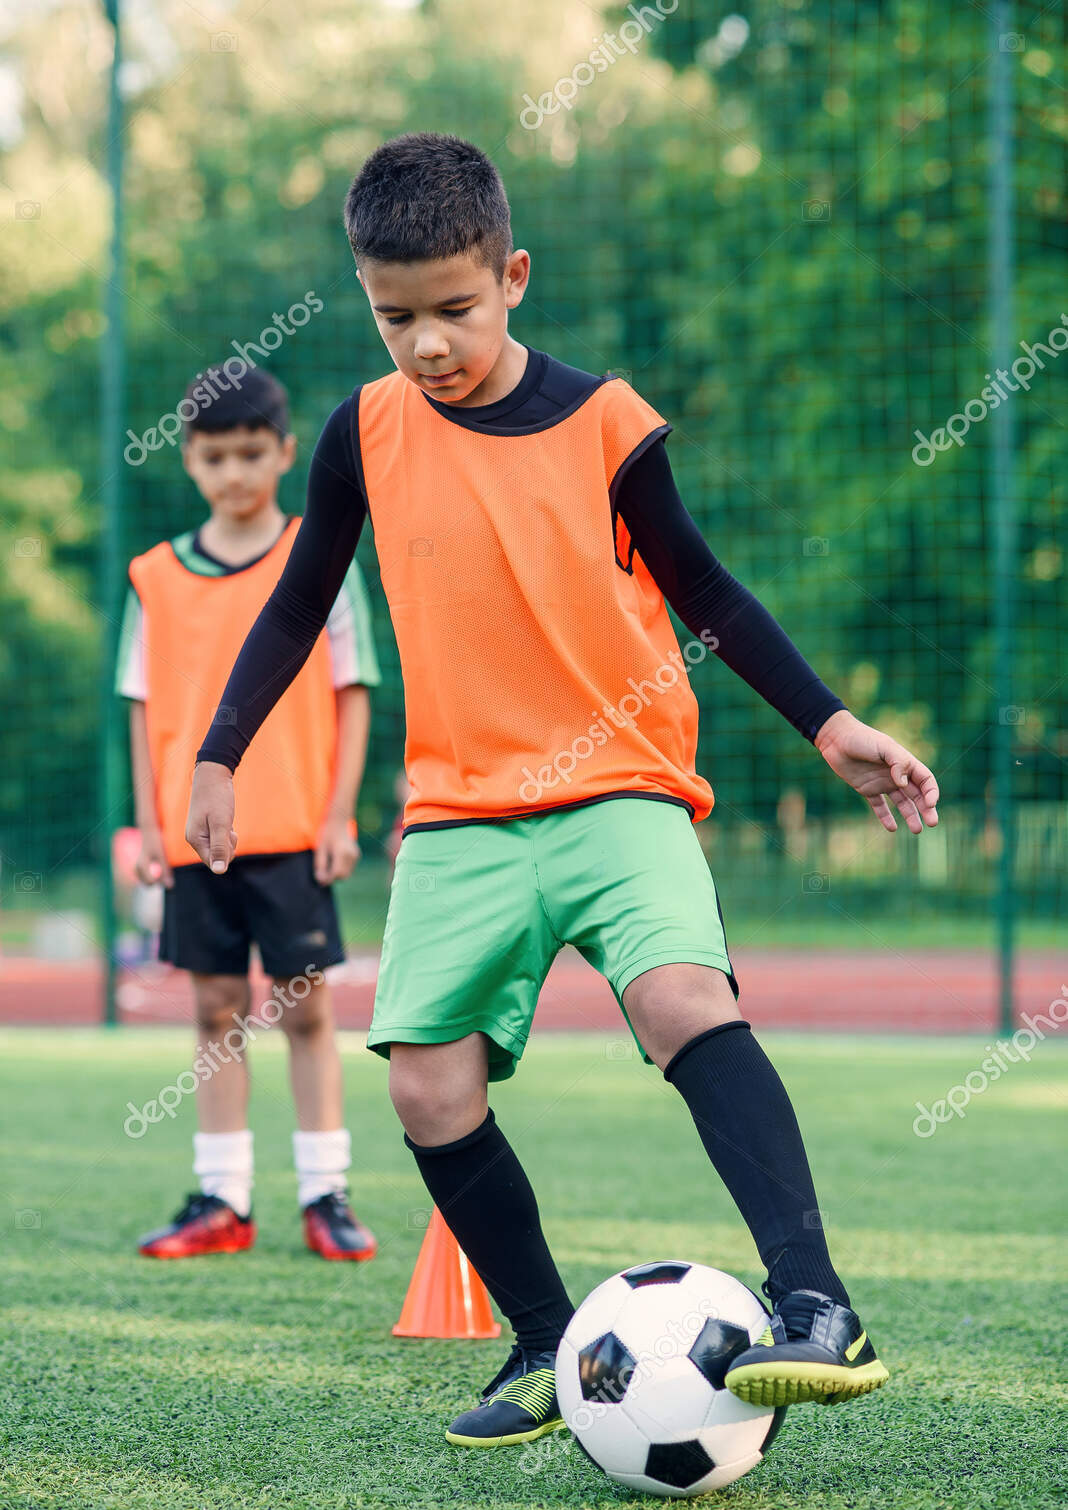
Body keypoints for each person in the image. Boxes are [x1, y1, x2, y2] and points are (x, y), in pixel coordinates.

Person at [186, 134, 940, 1444]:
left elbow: (707, 590)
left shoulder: (606, 423)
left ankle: (819, 1304)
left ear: (514, 275)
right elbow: (299, 601)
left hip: (620, 790)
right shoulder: (359, 434)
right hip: (461, 813)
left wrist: (826, 722)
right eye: (394, 315)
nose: (426, 345)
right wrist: (217, 749)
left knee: (682, 998)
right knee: (424, 1086)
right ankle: (542, 1342)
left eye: (454, 310)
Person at [118, 364, 381, 1262]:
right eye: (214, 456)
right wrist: (152, 822)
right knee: (215, 1009)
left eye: (250, 453)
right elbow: (143, 704)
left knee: (305, 1011)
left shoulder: (320, 559)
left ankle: (326, 1193)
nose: (233, 473)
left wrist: (339, 814)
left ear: (284, 453)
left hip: (294, 828)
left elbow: (353, 692)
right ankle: (223, 1197)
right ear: (189, 460)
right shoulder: (154, 578)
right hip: (197, 840)